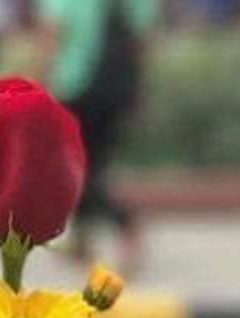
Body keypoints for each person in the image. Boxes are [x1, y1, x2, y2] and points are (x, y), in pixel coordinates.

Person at [35, 0, 157, 271]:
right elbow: (143, 39)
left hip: (75, 86)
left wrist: (42, 82)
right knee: (91, 164)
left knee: (75, 170)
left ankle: (125, 224)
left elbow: (53, 34)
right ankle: (82, 240)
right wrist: (140, 91)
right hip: (117, 89)